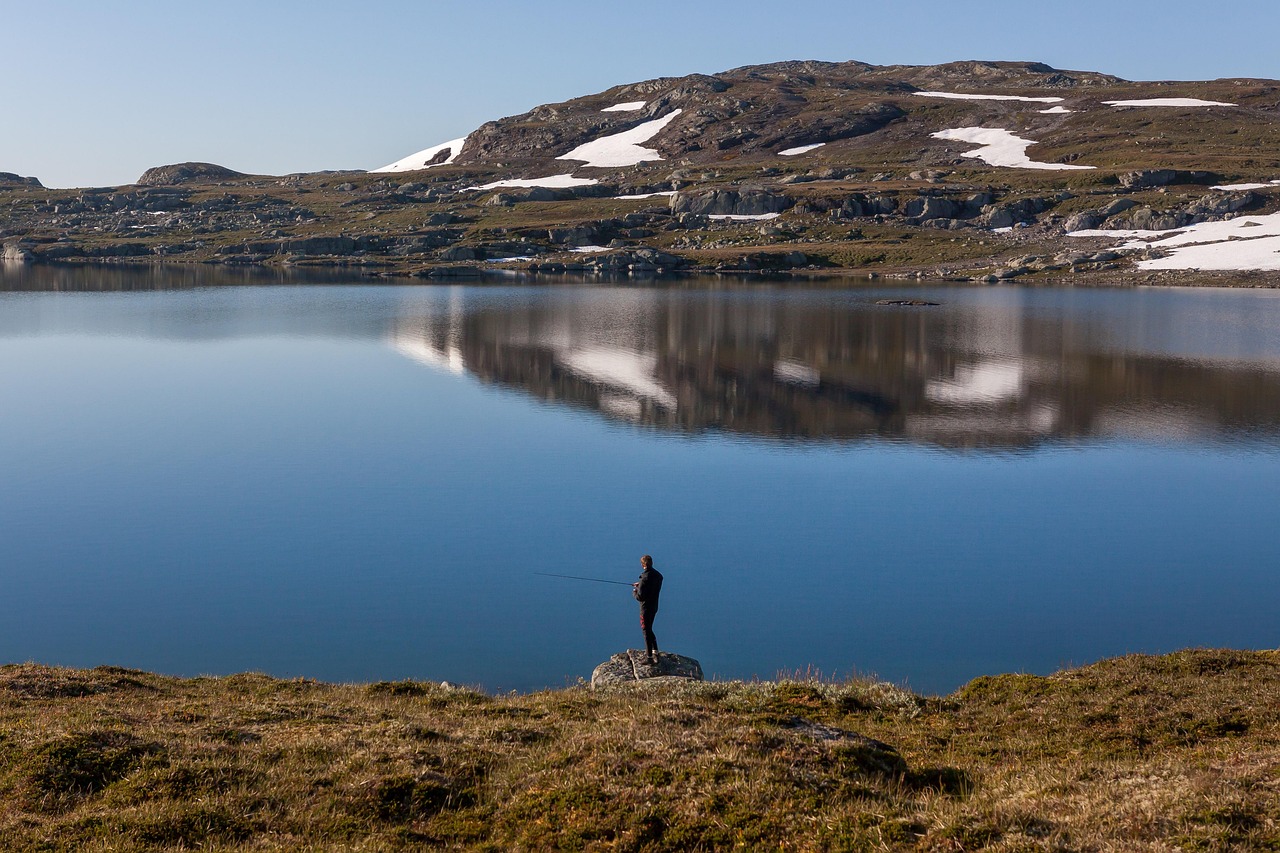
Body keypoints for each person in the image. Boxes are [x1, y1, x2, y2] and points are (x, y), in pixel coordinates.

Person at [632, 554, 663, 665]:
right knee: (649, 628)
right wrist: (640, 585)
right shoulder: (658, 576)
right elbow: (650, 585)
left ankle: (649, 657)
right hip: (654, 606)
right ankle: (655, 651)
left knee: (646, 630)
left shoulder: (644, 578)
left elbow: (640, 597)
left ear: (643, 565)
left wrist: (635, 591)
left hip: (645, 608)